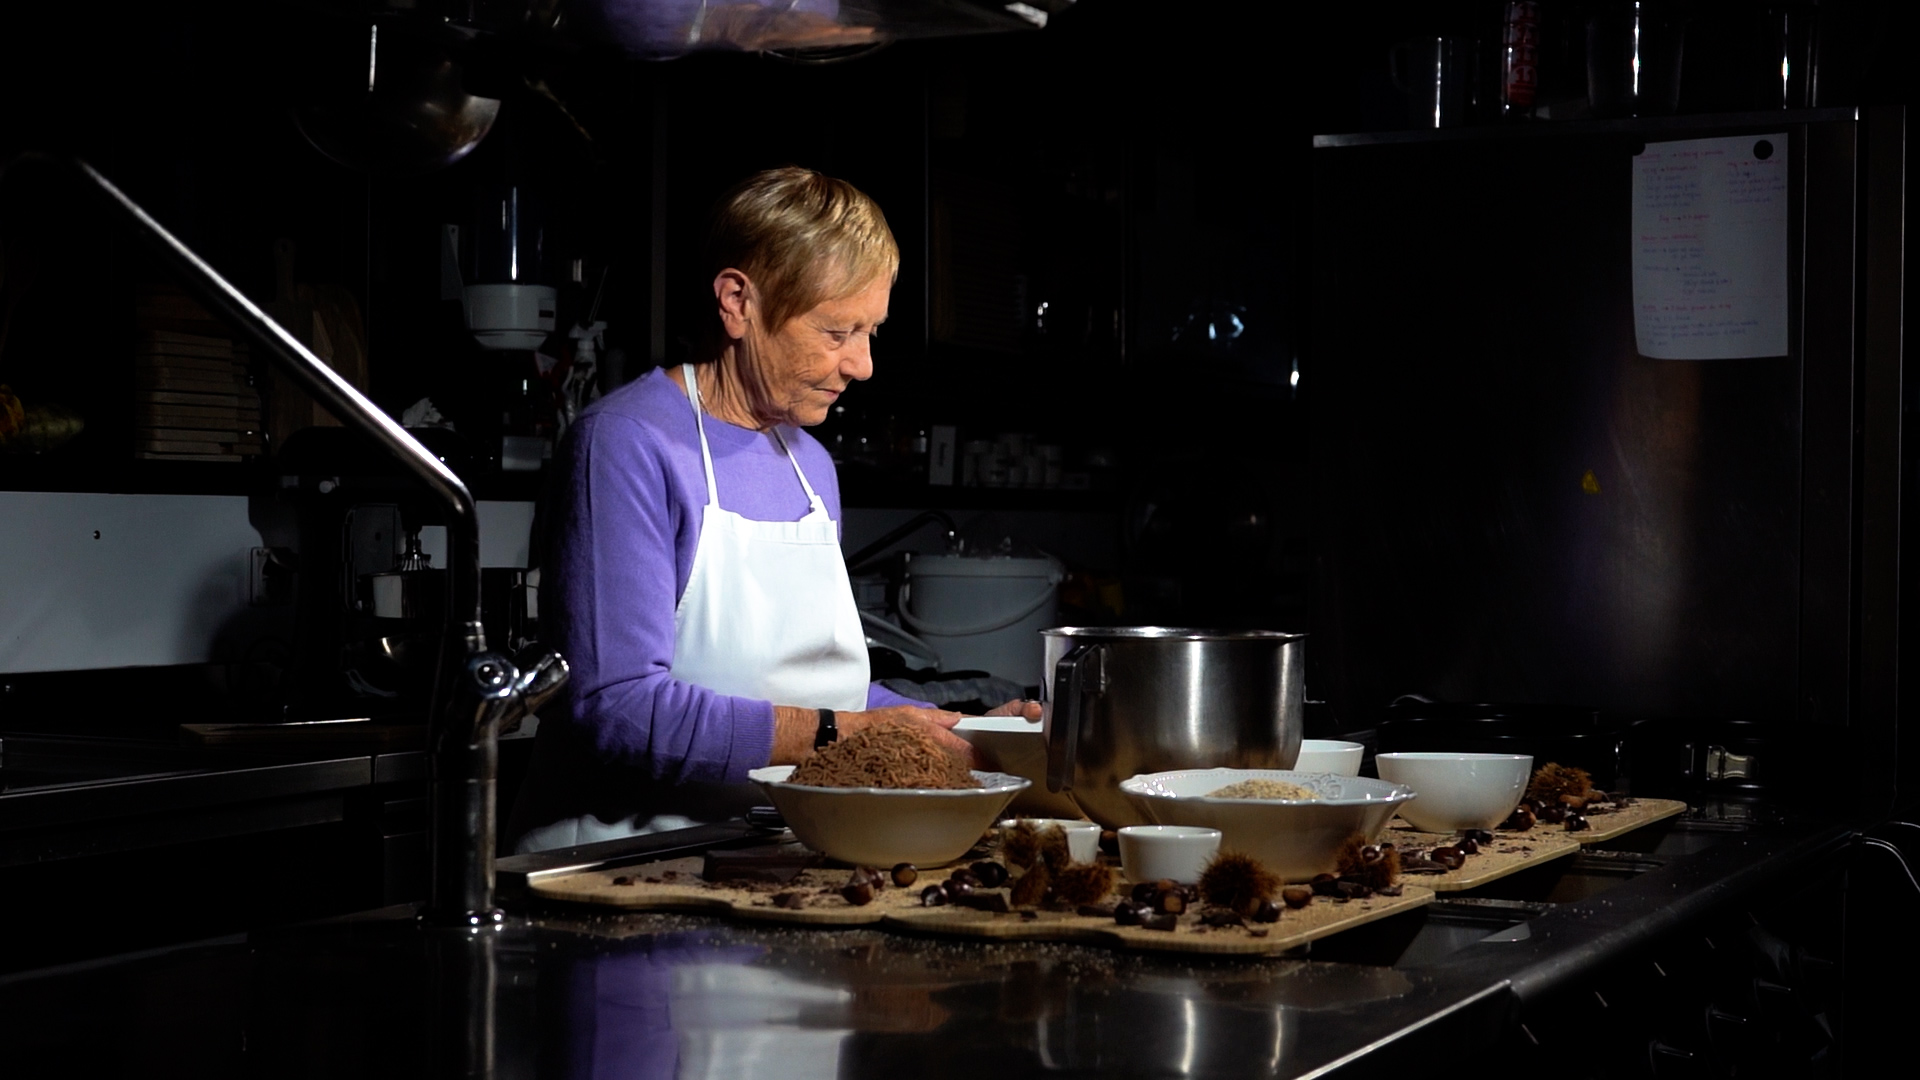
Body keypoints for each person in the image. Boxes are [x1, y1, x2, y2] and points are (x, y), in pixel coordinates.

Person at [509, 167, 1038, 853]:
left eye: (871, 330)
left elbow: (816, 694)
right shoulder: (626, 443)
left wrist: (954, 734)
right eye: (837, 330)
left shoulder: (810, 465)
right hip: (620, 861)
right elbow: (615, 709)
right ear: (738, 302)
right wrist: (851, 735)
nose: (863, 365)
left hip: (765, 856)